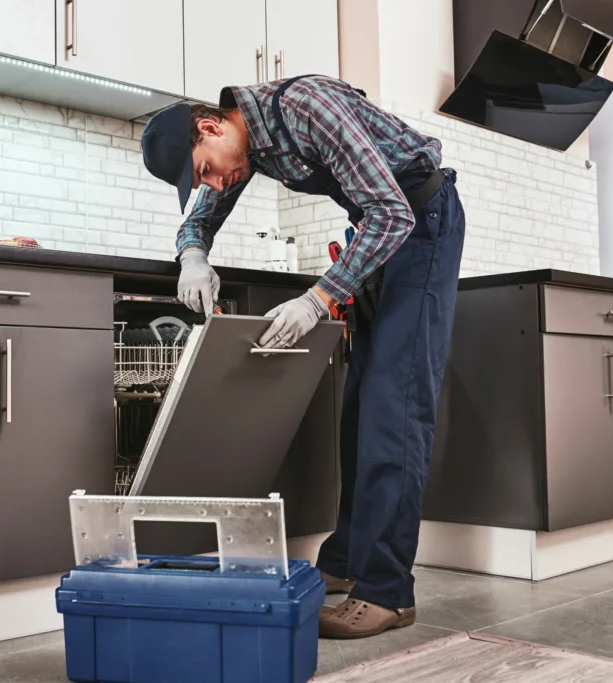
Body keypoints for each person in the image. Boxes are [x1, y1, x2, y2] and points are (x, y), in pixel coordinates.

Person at [140, 74, 466, 640]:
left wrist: (319, 299)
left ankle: (387, 591)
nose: (213, 183)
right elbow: (200, 219)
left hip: (420, 224)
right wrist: (193, 255)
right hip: (381, 235)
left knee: (395, 407)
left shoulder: (307, 108)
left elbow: (393, 213)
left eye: (205, 170)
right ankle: (348, 560)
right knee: (362, 408)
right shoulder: (244, 146)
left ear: (210, 127)